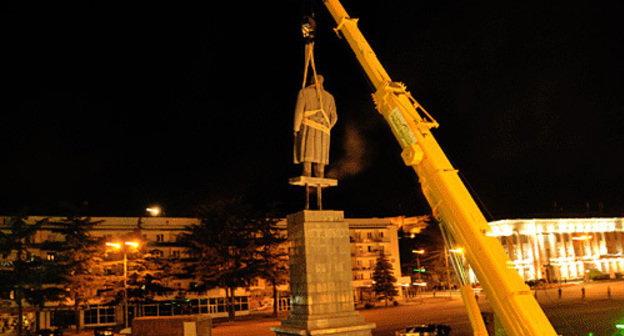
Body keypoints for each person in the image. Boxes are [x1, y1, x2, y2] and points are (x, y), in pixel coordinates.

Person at [293, 74, 337, 177]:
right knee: (320, 157)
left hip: (308, 128)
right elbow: (334, 117)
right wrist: (327, 127)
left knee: (307, 155)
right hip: (324, 132)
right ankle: (320, 174)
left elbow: (299, 113)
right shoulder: (330, 97)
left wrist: (296, 128)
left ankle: (307, 173)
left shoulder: (304, 93)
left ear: (311, 81)